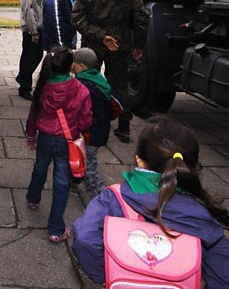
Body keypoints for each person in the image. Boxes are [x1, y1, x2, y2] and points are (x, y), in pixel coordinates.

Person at [71, 116, 229, 288]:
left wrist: (105, 275)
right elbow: (223, 275)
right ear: (190, 166)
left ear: (139, 159)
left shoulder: (111, 199)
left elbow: (84, 239)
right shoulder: (201, 217)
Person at [72, 0, 150, 143]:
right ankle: (124, 128)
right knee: (120, 85)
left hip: (93, 46)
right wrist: (138, 45)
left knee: (89, 83)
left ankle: (89, 123)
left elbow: (76, 19)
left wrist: (100, 35)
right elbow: (142, 19)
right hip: (120, 44)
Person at [25, 46, 92, 243]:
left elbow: (32, 115)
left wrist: (31, 136)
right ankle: (56, 228)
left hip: (45, 137)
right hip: (67, 140)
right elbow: (86, 121)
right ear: (71, 66)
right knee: (61, 183)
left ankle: (33, 198)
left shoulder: (42, 87)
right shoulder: (81, 89)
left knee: (39, 168)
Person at [71, 47, 110, 199]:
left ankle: (101, 198)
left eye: (74, 63)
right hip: (100, 129)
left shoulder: (82, 85)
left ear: (81, 66)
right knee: (79, 156)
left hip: (89, 132)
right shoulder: (99, 79)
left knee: (90, 167)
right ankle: (73, 179)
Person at [16, 0, 46, 100]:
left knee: (31, 55)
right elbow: (28, 8)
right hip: (31, 29)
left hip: (33, 28)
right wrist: (33, 31)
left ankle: (22, 78)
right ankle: (24, 87)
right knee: (31, 57)